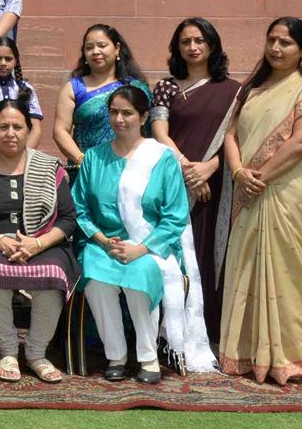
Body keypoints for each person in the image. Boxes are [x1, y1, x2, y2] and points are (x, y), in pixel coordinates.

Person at [220, 17, 302, 385]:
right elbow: (230, 136)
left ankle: (295, 358)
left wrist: (257, 176)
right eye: (272, 40)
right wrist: (237, 174)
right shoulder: (253, 90)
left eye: (287, 43)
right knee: (248, 262)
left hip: (292, 194)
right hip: (250, 188)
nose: (276, 49)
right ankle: (247, 353)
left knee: (295, 271)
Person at [73, 85, 213, 383]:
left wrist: (140, 249)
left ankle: (148, 357)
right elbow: (80, 210)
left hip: (150, 245)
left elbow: (175, 217)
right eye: (114, 112)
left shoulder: (161, 159)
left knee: (140, 279)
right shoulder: (94, 158)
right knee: (97, 282)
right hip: (103, 245)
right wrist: (101, 240)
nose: (119, 119)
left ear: (144, 116)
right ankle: (116, 356)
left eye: (127, 113)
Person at [0, 100, 75, 384]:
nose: (11, 133)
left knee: (52, 273)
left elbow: (68, 219)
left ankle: (36, 352)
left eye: (17, 127)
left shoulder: (47, 167)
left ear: (29, 130)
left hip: (44, 243)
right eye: (3, 127)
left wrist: (38, 244)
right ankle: (7, 351)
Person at [148, 17, 241, 341]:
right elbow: (159, 132)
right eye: (186, 41)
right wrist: (188, 168)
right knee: (176, 254)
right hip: (173, 181)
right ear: (177, 47)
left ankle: (211, 329)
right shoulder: (166, 86)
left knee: (210, 253)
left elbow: (236, 139)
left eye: (199, 40)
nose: (193, 47)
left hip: (215, 187)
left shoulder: (233, 91)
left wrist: (210, 168)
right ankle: (172, 330)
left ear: (212, 45)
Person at [53, 23, 151, 172]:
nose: (95, 51)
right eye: (89, 47)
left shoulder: (136, 87)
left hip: (132, 168)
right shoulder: (74, 88)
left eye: (102, 45)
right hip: (88, 170)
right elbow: (60, 131)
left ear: (117, 49)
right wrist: (84, 161)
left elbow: (149, 130)